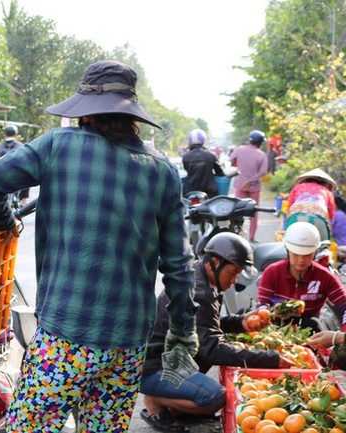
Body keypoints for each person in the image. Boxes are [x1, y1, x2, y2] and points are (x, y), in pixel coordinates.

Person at [0, 60, 198, 432]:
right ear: (131, 117)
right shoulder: (163, 171)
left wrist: (5, 222)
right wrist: (182, 329)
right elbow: (179, 264)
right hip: (127, 343)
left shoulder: (57, 146)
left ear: (86, 113)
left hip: (66, 336)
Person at [140, 233, 288, 433]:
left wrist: (241, 322)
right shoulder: (197, 292)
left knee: (205, 359)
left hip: (168, 359)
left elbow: (204, 325)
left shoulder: (199, 278)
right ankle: (155, 401)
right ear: (215, 262)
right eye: (233, 272)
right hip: (156, 367)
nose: (234, 280)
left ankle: (174, 404)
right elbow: (212, 349)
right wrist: (271, 358)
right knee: (214, 397)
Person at [257, 222, 346, 333]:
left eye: (307, 255)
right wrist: (267, 314)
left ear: (315, 252)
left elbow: (344, 306)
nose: (301, 260)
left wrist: (343, 336)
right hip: (274, 327)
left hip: (307, 329)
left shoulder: (325, 277)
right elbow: (262, 304)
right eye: (295, 254)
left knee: (313, 324)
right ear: (287, 250)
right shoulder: (272, 272)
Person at [230, 130, 269, 242]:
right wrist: (250, 181)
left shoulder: (239, 149)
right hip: (254, 187)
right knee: (253, 211)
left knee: (238, 211)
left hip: (240, 185)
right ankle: (251, 237)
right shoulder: (261, 155)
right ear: (260, 143)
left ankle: (237, 234)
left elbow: (232, 161)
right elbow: (263, 172)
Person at [286, 168, 337, 241]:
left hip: (296, 217)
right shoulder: (327, 192)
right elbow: (332, 213)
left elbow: (289, 206)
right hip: (319, 219)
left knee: (289, 243)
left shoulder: (297, 187)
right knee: (323, 245)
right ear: (326, 183)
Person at [181, 128, 224, 197]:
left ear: (190, 141)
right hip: (209, 191)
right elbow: (219, 173)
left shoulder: (185, 157)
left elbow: (187, 169)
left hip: (190, 191)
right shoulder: (211, 156)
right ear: (203, 141)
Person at [0, 124, 30, 205]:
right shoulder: (20, 146)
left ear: (5, 134)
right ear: (15, 134)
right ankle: (23, 201)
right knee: (28, 176)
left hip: (1, 175)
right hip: (16, 175)